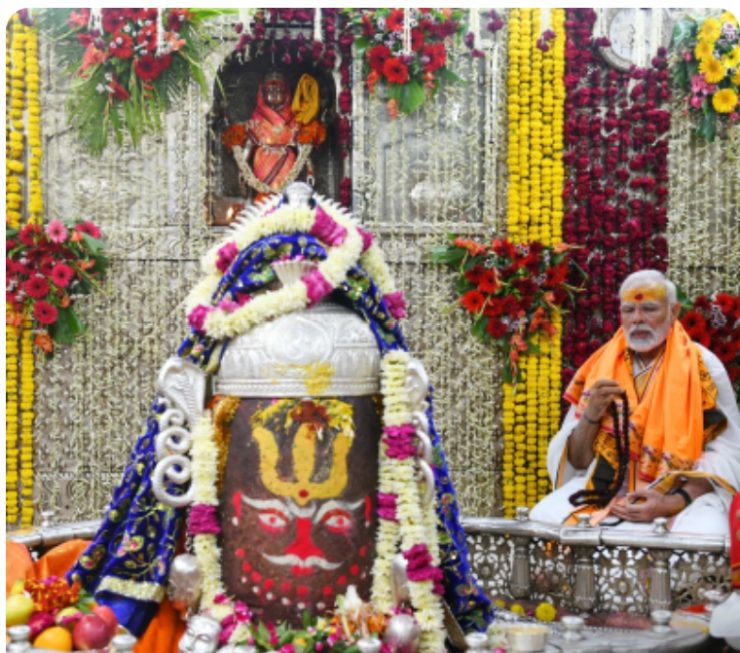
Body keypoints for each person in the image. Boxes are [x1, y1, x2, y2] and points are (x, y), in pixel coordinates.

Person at [530, 269, 740, 535]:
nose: (637, 319)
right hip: (605, 491)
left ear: (673, 311)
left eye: (649, 308)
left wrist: (671, 502)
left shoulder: (703, 367)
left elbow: (727, 452)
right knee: (542, 518)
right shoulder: (600, 366)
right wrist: (591, 415)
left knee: (708, 532)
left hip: (679, 493)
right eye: (629, 310)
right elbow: (579, 461)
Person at [221, 72, 326, 203]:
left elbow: (302, 150)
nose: (274, 94)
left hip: (287, 162)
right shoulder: (256, 121)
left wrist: (310, 170)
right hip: (263, 161)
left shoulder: (294, 121)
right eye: (270, 91)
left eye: (278, 91)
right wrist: (242, 171)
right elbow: (248, 146)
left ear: (286, 94)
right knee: (263, 197)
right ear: (262, 94)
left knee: (287, 195)